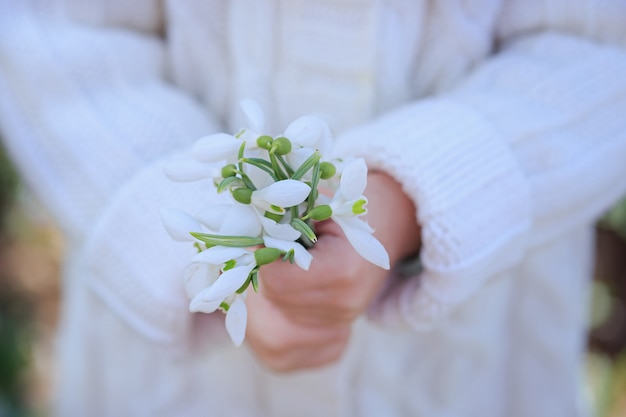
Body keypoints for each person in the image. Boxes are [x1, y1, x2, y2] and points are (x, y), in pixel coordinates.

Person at [1, 1, 626, 416]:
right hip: (173, 382)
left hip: (474, 372)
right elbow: (51, 35)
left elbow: (601, 47)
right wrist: (210, 238)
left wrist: (413, 196)